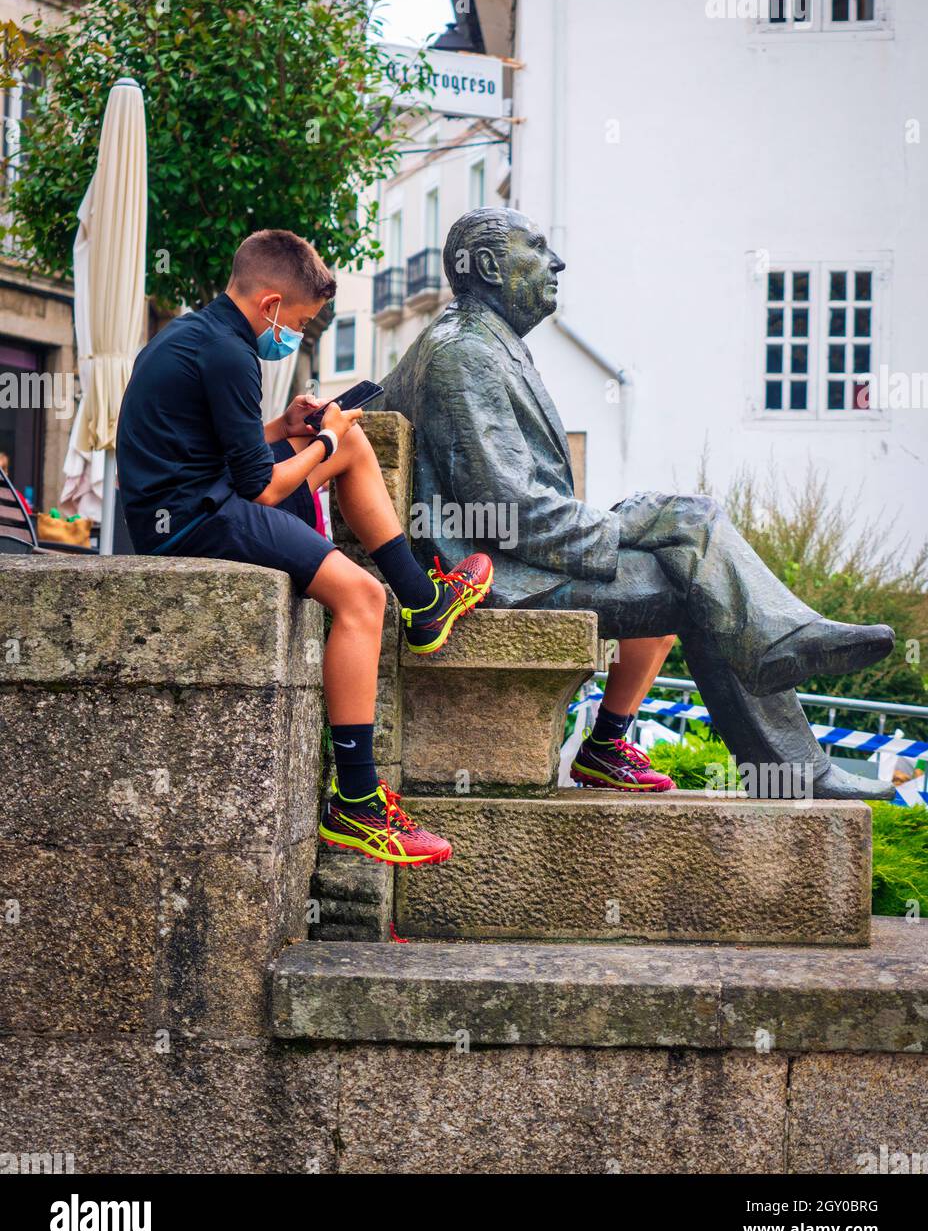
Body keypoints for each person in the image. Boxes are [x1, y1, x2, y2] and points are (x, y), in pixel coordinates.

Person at [377, 207, 897, 802]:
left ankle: (784, 664)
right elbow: (508, 507)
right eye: (538, 246)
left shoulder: (483, 343)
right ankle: (791, 745)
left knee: (689, 532)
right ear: (490, 265)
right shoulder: (462, 351)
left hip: (520, 556)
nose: (556, 261)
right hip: (498, 573)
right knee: (693, 570)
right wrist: (614, 528)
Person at [117, 229, 494, 866]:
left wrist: (288, 429)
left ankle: (424, 603)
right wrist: (320, 441)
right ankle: (357, 802)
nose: (295, 335)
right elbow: (260, 490)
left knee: (350, 444)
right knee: (359, 595)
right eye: (298, 322)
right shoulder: (230, 354)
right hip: (194, 519)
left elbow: (224, 447)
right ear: (269, 305)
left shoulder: (196, 334)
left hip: (187, 500)